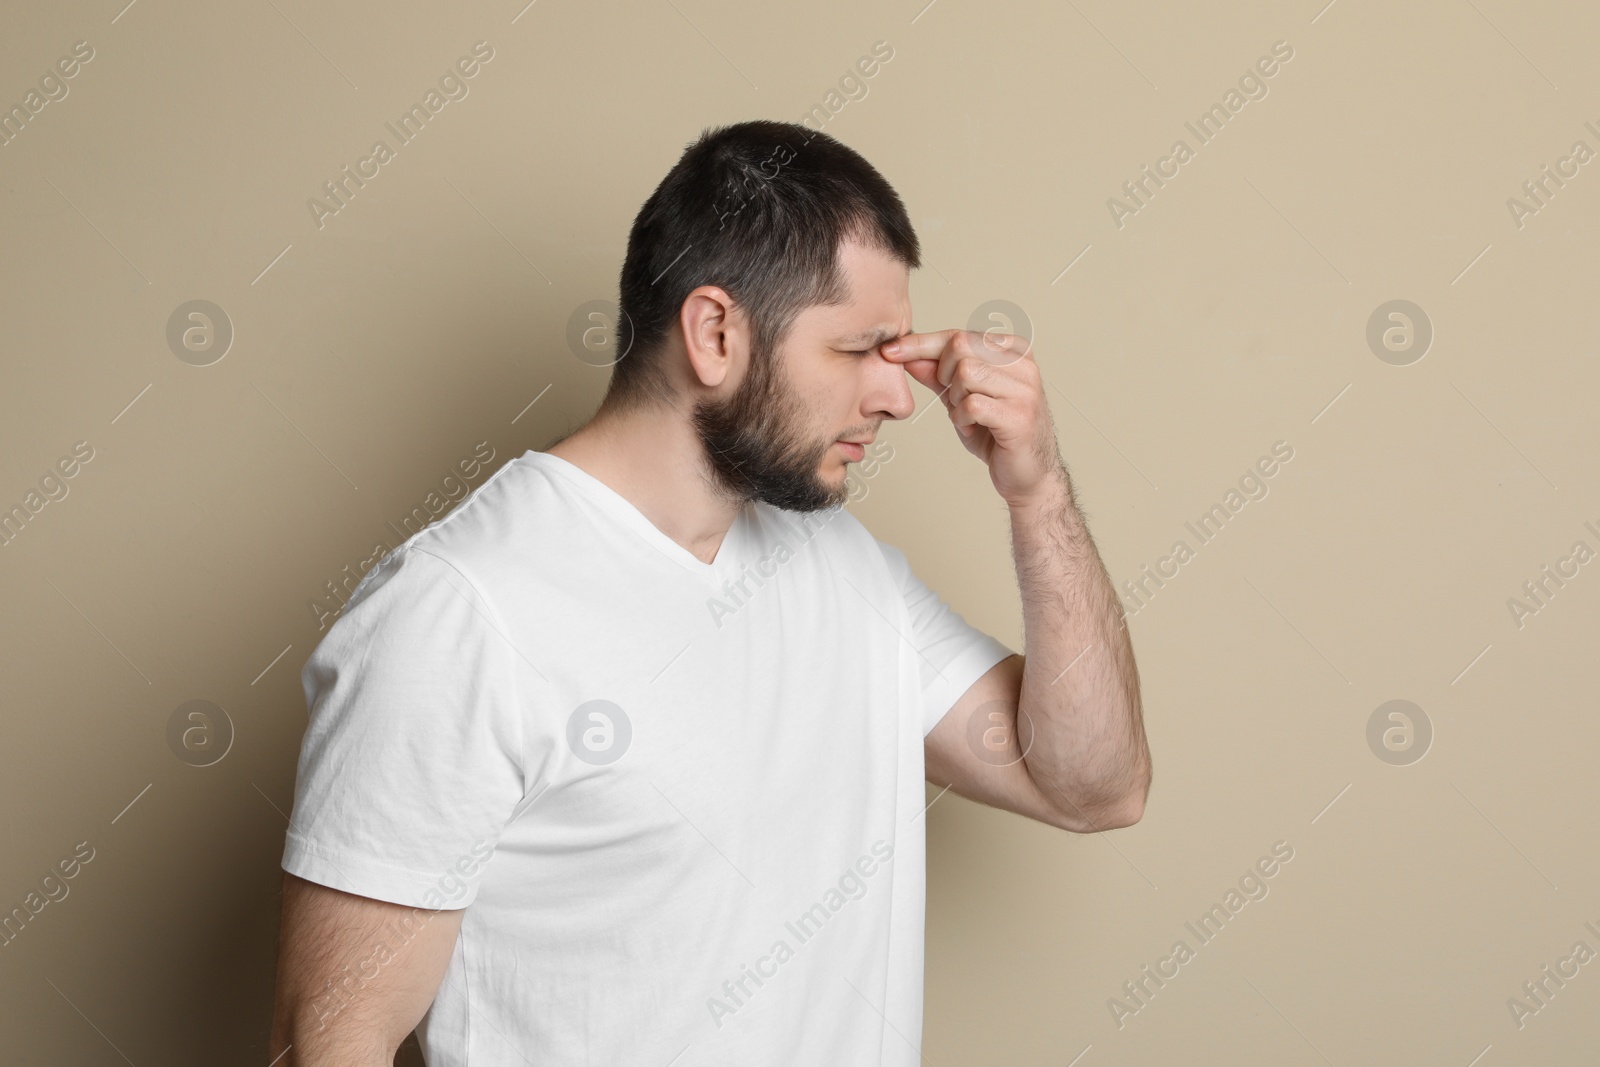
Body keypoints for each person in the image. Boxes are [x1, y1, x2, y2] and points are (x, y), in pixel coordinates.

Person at [268, 118, 1150, 1066]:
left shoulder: (846, 572)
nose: (899, 398)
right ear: (716, 332)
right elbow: (327, 1040)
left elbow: (1093, 787)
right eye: (860, 350)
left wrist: (1039, 493)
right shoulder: (459, 613)